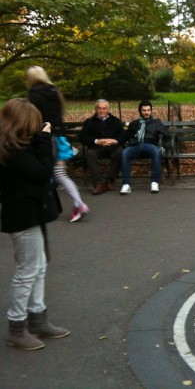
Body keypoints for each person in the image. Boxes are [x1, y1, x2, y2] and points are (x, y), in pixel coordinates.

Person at [0, 99, 70, 351]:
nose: (36, 128)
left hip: (31, 213)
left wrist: (39, 141)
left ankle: (37, 318)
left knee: (38, 267)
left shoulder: (17, 146)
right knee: (27, 271)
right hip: (23, 215)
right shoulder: (10, 150)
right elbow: (42, 172)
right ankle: (17, 327)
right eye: (33, 124)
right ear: (21, 124)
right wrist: (43, 140)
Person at [27, 66, 89, 223]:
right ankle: (68, 203)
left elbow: (34, 117)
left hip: (45, 137)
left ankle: (78, 203)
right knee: (57, 173)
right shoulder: (54, 92)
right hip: (59, 136)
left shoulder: (34, 94)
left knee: (57, 174)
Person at [120, 100, 170, 195]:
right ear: (140, 111)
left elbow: (168, 136)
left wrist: (163, 148)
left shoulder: (157, 123)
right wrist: (125, 144)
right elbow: (126, 136)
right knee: (125, 153)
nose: (146, 112)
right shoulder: (134, 123)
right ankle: (126, 184)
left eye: (148, 110)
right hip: (135, 146)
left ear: (151, 111)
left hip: (150, 145)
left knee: (156, 152)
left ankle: (154, 182)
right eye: (144, 110)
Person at [79, 99, 126, 195]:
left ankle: (110, 181)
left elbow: (123, 135)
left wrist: (115, 141)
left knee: (120, 152)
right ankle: (98, 184)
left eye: (104, 108)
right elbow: (83, 137)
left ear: (108, 109)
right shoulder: (90, 122)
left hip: (113, 147)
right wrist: (97, 141)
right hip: (97, 147)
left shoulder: (115, 121)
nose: (102, 111)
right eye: (99, 108)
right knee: (90, 154)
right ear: (96, 109)